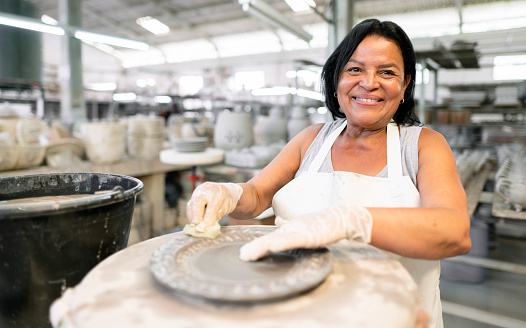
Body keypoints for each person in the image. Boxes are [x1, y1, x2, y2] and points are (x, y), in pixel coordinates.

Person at [186, 18, 471, 328]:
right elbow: (256, 195)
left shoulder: (422, 146)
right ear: (337, 82)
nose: (369, 82)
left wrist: (352, 221)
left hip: (397, 318)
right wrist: (227, 193)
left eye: (387, 72)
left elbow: (454, 232)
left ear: (404, 87)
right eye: (355, 69)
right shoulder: (311, 139)